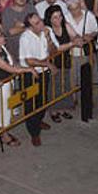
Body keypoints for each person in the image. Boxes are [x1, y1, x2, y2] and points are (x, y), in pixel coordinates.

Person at [18, 13, 57, 146]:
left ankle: (38, 120)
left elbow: (54, 51)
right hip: (31, 74)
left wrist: (48, 38)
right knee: (31, 103)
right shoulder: (25, 38)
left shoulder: (47, 31)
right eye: (36, 23)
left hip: (43, 72)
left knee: (43, 99)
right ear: (30, 27)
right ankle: (34, 132)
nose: (41, 24)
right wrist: (47, 64)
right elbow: (28, 61)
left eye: (40, 21)